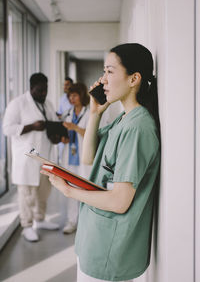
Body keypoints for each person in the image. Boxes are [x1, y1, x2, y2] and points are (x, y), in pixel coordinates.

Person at [41, 43, 160, 281]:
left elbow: (119, 201)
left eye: (109, 71)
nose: (103, 80)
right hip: (94, 239)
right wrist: (95, 113)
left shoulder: (138, 128)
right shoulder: (122, 121)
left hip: (111, 251)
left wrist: (68, 191)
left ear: (134, 78)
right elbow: (89, 158)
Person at [3, 73, 59, 242]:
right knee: (26, 194)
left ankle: (40, 220)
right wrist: (31, 127)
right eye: (40, 90)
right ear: (31, 88)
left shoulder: (47, 104)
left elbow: (52, 125)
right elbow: (7, 129)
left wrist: (56, 135)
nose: (43, 93)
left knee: (44, 192)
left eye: (46, 90)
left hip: (44, 157)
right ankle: (27, 226)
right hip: (26, 159)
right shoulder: (17, 104)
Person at [60, 83, 91, 234]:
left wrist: (75, 128)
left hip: (84, 158)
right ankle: (71, 221)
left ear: (81, 95)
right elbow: (64, 134)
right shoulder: (67, 113)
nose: (71, 98)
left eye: (74, 95)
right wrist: (64, 138)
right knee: (70, 189)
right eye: (69, 96)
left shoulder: (90, 113)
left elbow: (93, 135)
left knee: (86, 191)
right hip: (71, 157)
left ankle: (86, 224)